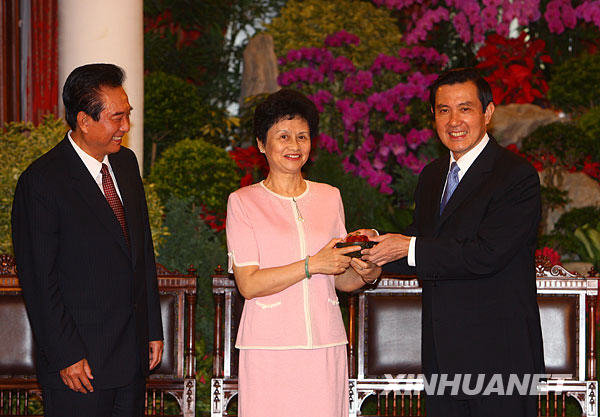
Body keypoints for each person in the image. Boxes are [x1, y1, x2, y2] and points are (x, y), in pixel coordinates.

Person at [361, 68, 544, 417]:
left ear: (487, 113)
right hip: (442, 357)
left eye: (465, 108)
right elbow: (423, 245)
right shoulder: (432, 175)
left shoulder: (516, 176)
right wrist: (375, 248)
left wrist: (407, 247)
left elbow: (486, 254)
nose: (454, 121)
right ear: (433, 116)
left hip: (500, 358)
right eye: (443, 110)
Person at [11, 63, 163, 417]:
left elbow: (142, 251)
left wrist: (152, 329)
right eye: (116, 118)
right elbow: (39, 281)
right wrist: (65, 354)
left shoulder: (125, 164)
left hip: (131, 357)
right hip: (79, 366)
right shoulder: (42, 182)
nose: (126, 126)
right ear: (84, 120)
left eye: (127, 115)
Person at [226, 88, 381, 417]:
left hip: (325, 343)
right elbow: (248, 284)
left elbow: (338, 278)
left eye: (302, 136)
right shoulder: (243, 202)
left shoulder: (330, 196)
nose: (294, 145)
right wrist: (311, 264)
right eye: (283, 136)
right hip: (268, 348)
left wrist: (367, 272)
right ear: (261, 144)